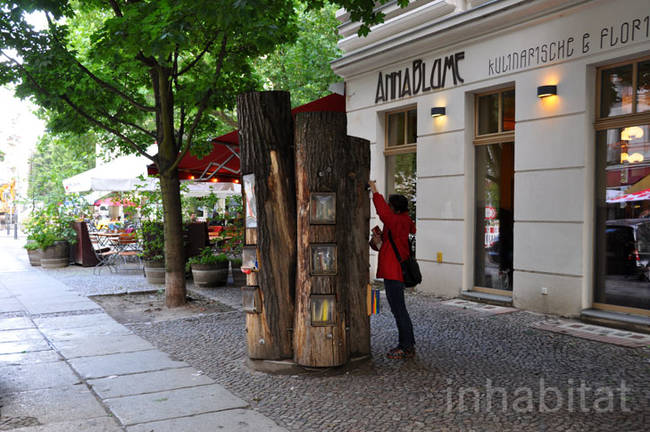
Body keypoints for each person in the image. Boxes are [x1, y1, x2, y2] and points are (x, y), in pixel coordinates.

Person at [369, 180, 416, 359]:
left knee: (399, 310)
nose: (387, 208)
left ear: (395, 208)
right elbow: (385, 247)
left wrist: (375, 190)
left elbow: (382, 211)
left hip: (394, 272)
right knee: (399, 309)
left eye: (390, 206)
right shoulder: (401, 221)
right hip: (393, 270)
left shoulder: (397, 221)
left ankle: (406, 346)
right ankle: (407, 344)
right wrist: (377, 239)